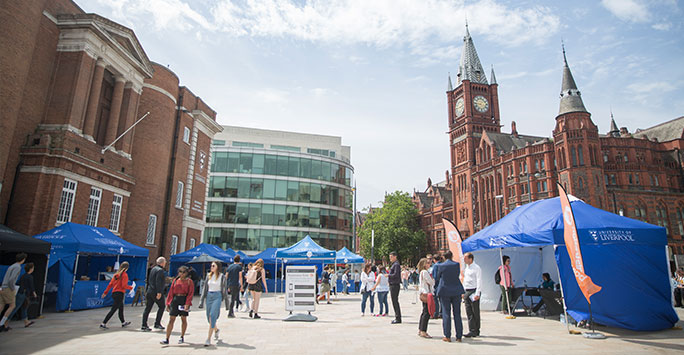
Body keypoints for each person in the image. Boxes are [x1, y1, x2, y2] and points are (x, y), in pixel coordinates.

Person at [434, 250, 465, 342]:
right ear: (452, 256)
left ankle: (447, 335)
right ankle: (459, 336)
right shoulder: (456, 265)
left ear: (443, 257)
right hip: (456, 290)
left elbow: (437, 278)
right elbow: (457, 275)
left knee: (446, 313)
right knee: (457, 314)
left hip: (445, 290)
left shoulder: (441, 266)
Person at [161, 265, 194, 345]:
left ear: (186, 273)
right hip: (175, 300)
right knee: (171, 319)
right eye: (180, 272)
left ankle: (182, 336)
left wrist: (187, 303)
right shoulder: (175, 280)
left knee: (183, 319)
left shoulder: (189, 281)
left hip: (183, 300)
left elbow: (190, 293)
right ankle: (167, 338)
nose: (181, 274)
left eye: (183, 272)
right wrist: (168, 303)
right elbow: (171, 292)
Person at [199, 262, 228, 347]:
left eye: (213, 266)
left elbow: (224, 289)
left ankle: (208, 338)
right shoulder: (209, 276)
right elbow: (205, 288)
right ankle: (216, 329)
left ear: (217, 267)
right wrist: (201, 300)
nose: (211, 267)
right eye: (211, 265)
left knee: (212, 315)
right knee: (209, 317)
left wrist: (226, 303)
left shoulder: (222, 277)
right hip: (209, 296)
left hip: (217, 296)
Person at [100, 261, 133, 329]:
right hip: (120, 293)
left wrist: (105, 292)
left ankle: (123, 322)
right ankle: (103, 323)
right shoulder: (124, 275)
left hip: (114, 292)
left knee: (121, 308)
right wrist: (131, 288)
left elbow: (110, 284)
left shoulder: (116, 275)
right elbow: (124, 286)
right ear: (127, 268)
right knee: (114, 309)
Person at [0, 252, 26, 332]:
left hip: (3, 287)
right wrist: (12, 288)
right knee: (12, 305)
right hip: (8, 288)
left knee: (1, 305)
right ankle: (2, 323)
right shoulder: (17, 267)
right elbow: (11, 279)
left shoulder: (12, 266)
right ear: (23, 259)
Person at [7, 262, 37, 328]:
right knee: (15, 307)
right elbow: (31, 286)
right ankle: (6, 321)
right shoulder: (30, 277)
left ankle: (26, 322)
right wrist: (34, 292)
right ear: (31, 269)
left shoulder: (23, 276)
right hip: (23, 293)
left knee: (24, 307)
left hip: (21, 293)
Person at [142, 257, 167, 332]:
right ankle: (157, 323)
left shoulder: (153, 269)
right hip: (156, 291)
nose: (165, 263)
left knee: (148, 308)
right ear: (162, 263)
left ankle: (144, 325)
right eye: (165, 262)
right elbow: (158, 281)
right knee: (162, 306)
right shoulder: (160, 270)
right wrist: (159, 292)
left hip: (150, 290)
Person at [462, 252, 482, 338]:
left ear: (470, 259)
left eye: (466, 258)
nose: (464, 260)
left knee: (475, 311)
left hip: (474, 290)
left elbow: (479, 280)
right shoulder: (466, 268)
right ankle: (472, 329)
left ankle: (476, 329)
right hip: (467, 290)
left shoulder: (476, 268)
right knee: (469, 311)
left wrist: (478, 293)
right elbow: (465, 280)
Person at [417, 257, 434, 338]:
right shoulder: (425, 272)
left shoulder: (421, 272)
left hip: (423, 292)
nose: (429, 264)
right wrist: (433, 280)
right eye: (427, 263)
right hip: (426, 293)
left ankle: (421, 329)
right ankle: (423, 330)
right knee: (426, 313)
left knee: (424, 312)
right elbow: (431, 282)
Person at [388, 251, 402, 324]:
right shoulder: (394, 264)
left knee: (395, 301)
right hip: (393, 284)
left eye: (391, 257)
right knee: (394, 301)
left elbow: (396, 274)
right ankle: (397, 317)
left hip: (394, 284)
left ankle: (398, 317)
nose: (390, 258)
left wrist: (388, 275)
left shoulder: (396, 265)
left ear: (395, 256)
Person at [430, 253, 444, 319]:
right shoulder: (443, 264)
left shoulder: (435, 266)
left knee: (435, 299)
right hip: (442, 284)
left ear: (434, 260)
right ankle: (441, 313)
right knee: (441, 300)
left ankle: (436, 313)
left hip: (437, 284)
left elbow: (435, 276)